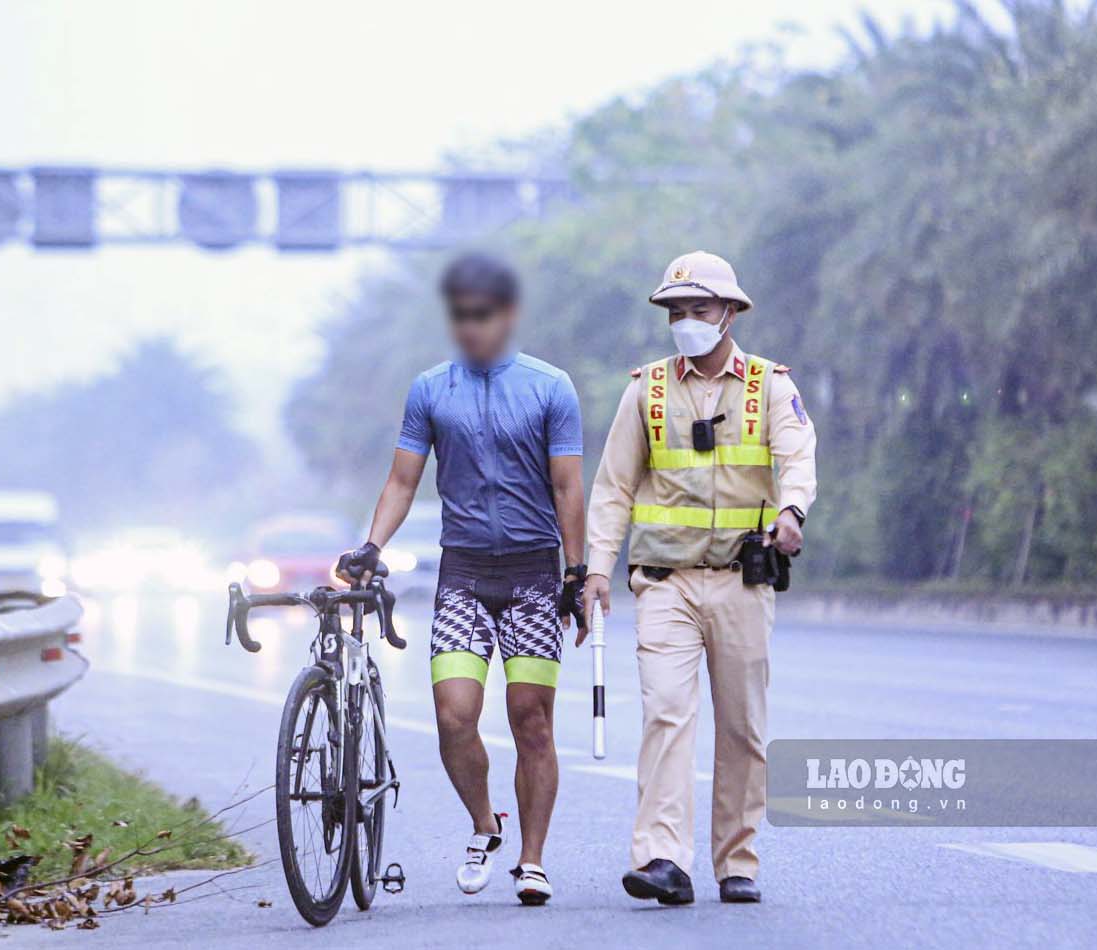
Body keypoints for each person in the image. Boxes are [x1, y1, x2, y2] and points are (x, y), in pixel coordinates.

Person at [337, 253, 587, 906]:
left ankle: (532, 861)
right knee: (455, 716)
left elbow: (568, 485)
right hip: (464, 574)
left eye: (481, 317)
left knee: (531, 720)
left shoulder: (550, 386)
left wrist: (578, 570)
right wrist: (372, 543)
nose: (468, 329)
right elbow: (402, 479)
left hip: (534, 573)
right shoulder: (430, 389)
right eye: (459, 318)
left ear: (507, 316)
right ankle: (485, 822)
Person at [580, 250, 816, 906]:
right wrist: (598, 569)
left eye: (700, 309)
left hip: (743, 581)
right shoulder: (646, 390)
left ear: (730, 313)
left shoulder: (770, 385)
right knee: (666, 714)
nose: (687, 320)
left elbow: (798, 455)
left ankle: (737, 860)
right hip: (665, 584)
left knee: (741, 727)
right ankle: (661, 858)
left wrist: (792, 511)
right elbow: (612, 488)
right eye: (676, 311)